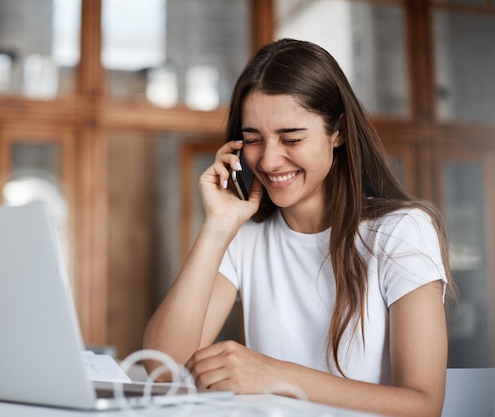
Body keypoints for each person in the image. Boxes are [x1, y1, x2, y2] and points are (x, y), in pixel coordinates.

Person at [143, 38, 453, 417]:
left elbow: (424, 405)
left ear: (337, 131)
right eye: (254, 140)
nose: (270, 160)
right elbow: (160, 370)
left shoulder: (401, 230)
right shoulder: (245, 237)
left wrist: (276, 377)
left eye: (291, 138)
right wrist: (218, 226)